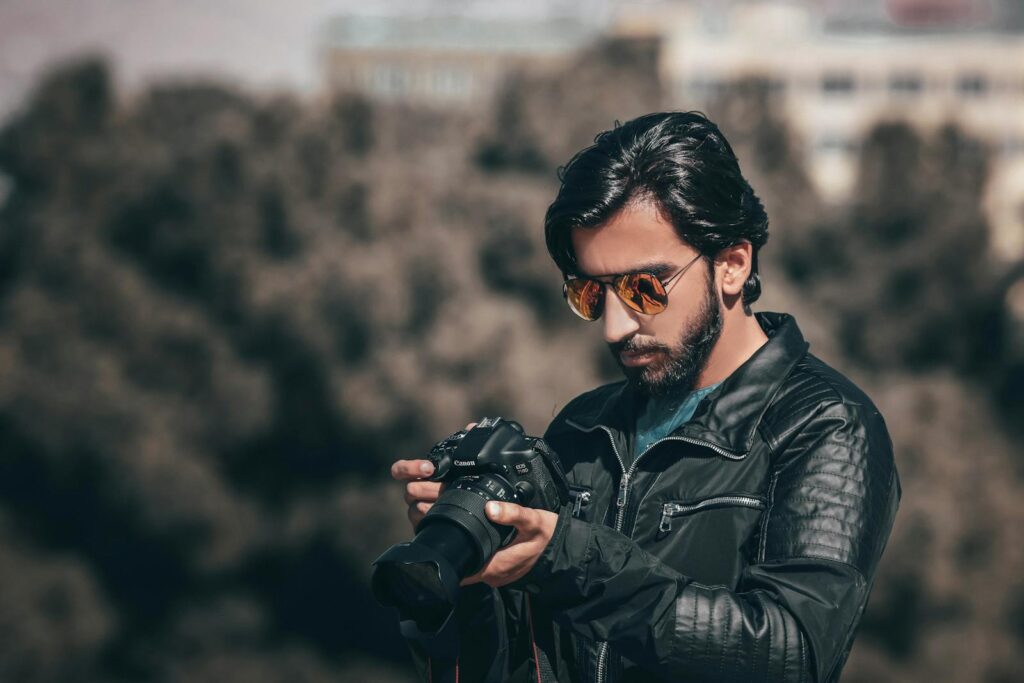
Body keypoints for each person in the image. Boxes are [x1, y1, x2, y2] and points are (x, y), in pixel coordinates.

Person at [390, 111, 901, 682]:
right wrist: (466, 566)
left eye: (644, 288)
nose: (614, 326)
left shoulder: (825, 425)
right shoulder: (582, 428)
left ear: (731, 265)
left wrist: (569, 559)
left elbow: (789, 653)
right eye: (590, 292)